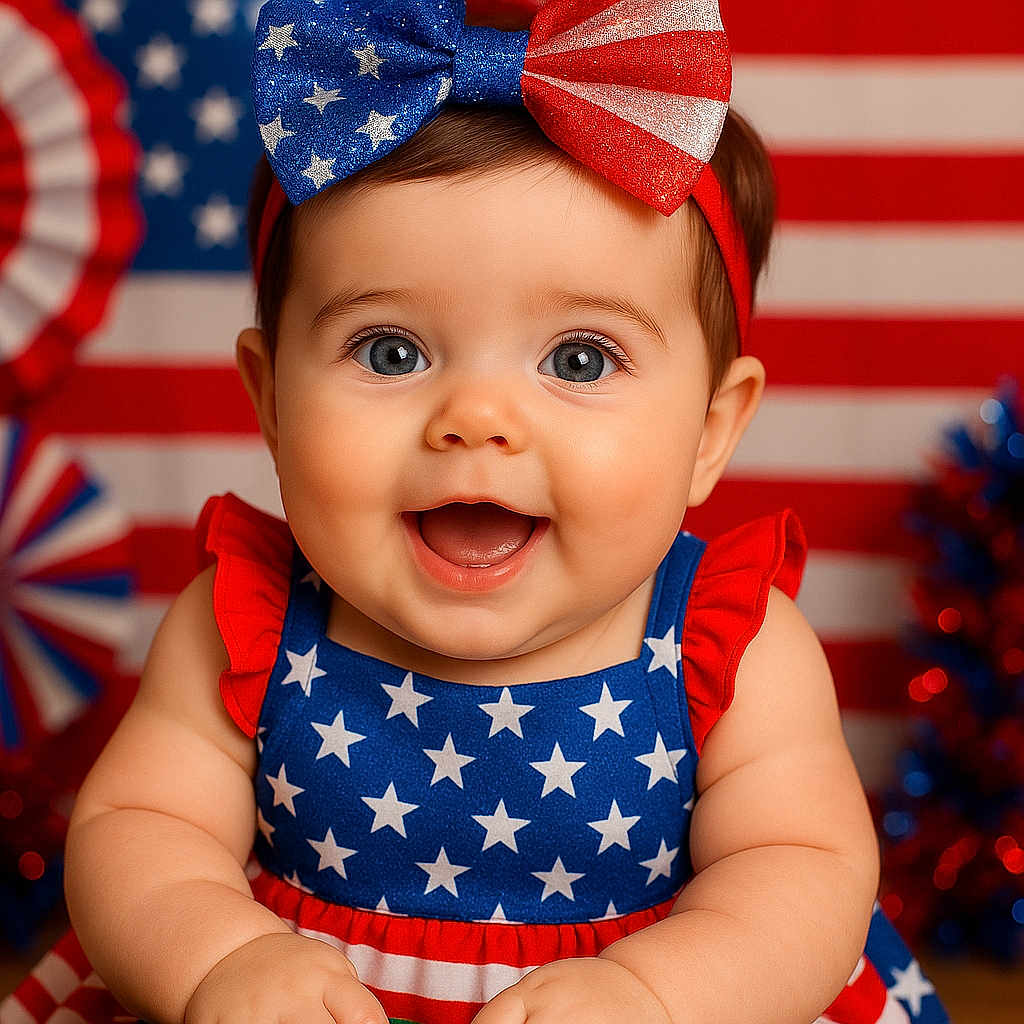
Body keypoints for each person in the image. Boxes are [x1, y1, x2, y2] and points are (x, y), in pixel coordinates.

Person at [1, 2, 952, 1024]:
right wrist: (217, 962)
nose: (475, 420)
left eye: (579, 359)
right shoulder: (246, 621)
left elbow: (802, 872)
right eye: (390, 351)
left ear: (711, 430)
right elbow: (139, 825)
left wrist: (657, 993)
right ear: (270, 400)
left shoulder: (728, 646)